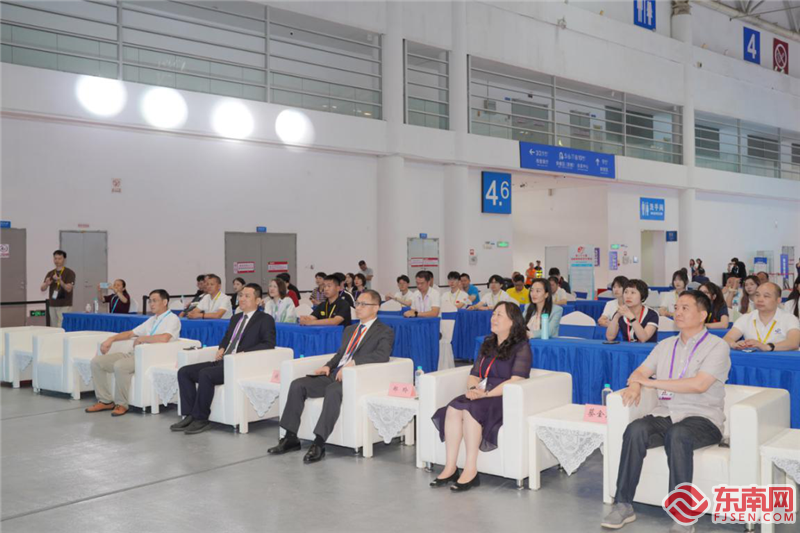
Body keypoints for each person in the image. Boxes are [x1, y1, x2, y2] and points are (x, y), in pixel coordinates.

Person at [602, 291, 731, 531]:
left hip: (703, 418)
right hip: (667, 413)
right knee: (635, 429)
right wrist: (635, 385)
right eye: (676, 307)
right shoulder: (665, 345)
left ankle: (682, 515)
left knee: (678, 434)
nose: (677, 312)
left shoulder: (717, 346)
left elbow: (699, 384)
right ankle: (623, 504)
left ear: (702, 315)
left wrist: (651, 383)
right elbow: (640, 372)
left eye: (685, 308)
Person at [268, 290, 393, 462]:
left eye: (364, 304)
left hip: (357, 378)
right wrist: (328, 366)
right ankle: (290, 438)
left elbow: (382, 355)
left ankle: (319, 443)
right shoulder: (350, 329)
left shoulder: (384, 331)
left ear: (376, 307)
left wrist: (354, 363)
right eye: (357, 303)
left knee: (333, 390)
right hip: (336, 374)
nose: (358, 307)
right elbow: (341, 354)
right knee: (298, 384)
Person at [429, 302, 531, 491]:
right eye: (493, 314)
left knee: (470, 410)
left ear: (512, 321)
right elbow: (474, 373)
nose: (494, 318)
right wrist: (473, 389)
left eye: (499, 315)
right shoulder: (487, 343)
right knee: (453, 408)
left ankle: (470, 470)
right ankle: (450, 468)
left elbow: (516, 380)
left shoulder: (521, 347)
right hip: (482, 392)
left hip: (502, 397)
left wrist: (486, 394)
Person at [172, 283, 276, 434]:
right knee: (184, 372)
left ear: (258, 300)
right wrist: (221, 348)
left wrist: (244, 353)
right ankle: (189, 415)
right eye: (241, 295)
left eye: (247, 296)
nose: (242, 299)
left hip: (241, 364)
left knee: (205, 374)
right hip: (224, 362)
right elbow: (228, 338)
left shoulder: (265, 319)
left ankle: (201, 419)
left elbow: (268, 344)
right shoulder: (236, 318)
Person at [85, 290, 181, 417]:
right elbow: (131, 333)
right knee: (97, 362)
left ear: (164, 302)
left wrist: (142, 338)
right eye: (150, 301)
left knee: (120, 365)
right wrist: (111, 339)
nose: (151, 304)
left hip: (149, 357)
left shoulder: (172, 319)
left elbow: (164, 338)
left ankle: (121, 404)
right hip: (135, 353)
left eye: (154, 301)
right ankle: (105, 401)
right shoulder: (152, 319)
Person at [723, 282, 800, 352]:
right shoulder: (746, 318)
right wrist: (734, 344)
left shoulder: (789, 318)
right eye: (757, 295)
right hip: (753, 361)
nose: (760, 299)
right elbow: (727, 338)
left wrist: (766, 347)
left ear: (778, 300)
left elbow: (793, 343)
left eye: (766, 296)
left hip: (781, 361)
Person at [41, 250, 76, 328]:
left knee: (62, 327)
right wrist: (46, 284)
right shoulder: (50, 273)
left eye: (59, 258)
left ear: (64, 259)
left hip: (65, 305)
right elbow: (42, 288)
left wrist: (60, 281)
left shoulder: (70, 273)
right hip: (52, 305)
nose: (57, 261)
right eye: (55, 258)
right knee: (54, 328)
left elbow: (69, 289)